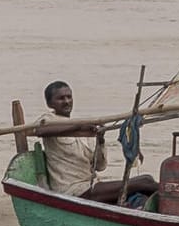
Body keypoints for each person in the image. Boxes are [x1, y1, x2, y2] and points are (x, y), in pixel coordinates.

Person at [30, 80, 159, 205]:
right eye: (61, 98)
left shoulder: (83, 133)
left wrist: (100, 140)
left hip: (91, 184)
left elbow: (100, 166)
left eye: (69, 97)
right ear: (50, 104)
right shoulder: (49, 119)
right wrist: (79, 126)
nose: (67, 101)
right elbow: (40, 130)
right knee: (145, 181)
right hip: (73, 190)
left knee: (143, 190)